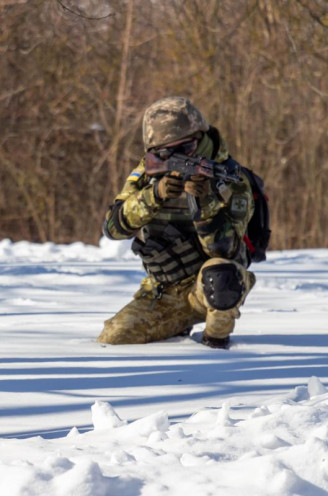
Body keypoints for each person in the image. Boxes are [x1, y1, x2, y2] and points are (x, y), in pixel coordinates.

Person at [98, 96, 256, 349]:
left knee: (220, 275)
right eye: (167, 152)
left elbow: (226, 251)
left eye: (186, 149)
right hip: (163, 290)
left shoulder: (231, 179)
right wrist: (154, 195)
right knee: (115, 338)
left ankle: (216, 347)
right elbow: (113, 229)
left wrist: (204, 202)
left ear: (200, 137)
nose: (178, 157)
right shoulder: (148, 174)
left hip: (211, 286)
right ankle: (176, 329)